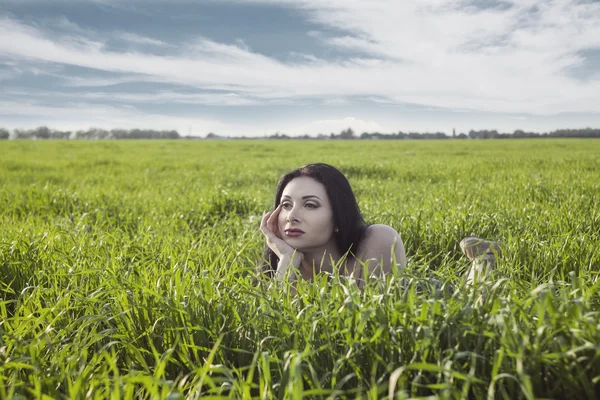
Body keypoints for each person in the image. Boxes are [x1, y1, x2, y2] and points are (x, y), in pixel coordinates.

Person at [259, 163, 501, 289]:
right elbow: (274, 328)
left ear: (338, 218)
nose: (292, 216)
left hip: (436, 303)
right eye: (286, 205)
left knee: (475, 296)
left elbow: (366, 323)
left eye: (310, 205)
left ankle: (483, 258)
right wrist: (287, 261)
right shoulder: (286, 266)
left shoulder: (376, 240)